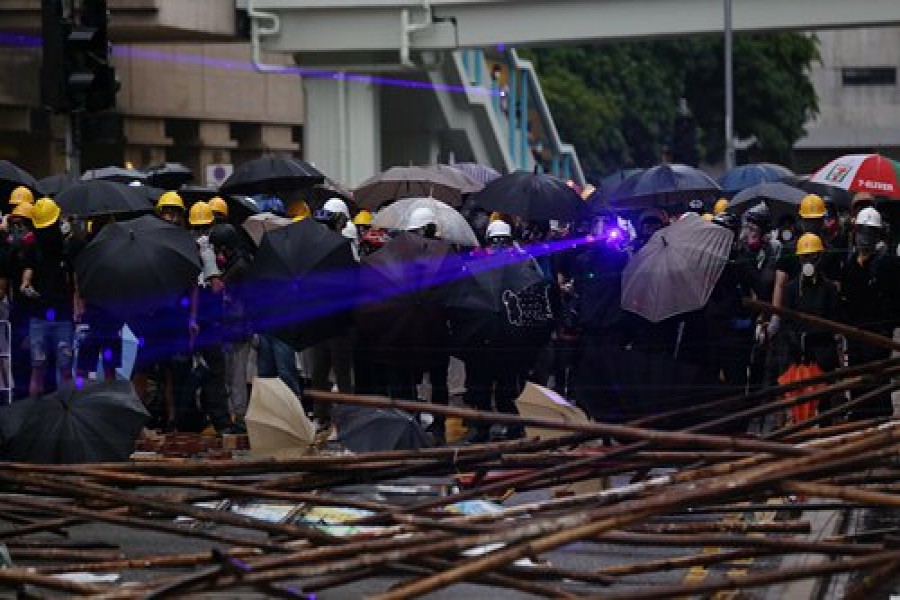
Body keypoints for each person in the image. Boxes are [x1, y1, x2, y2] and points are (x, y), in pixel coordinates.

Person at [839, 207, 900, 420]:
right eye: (862, 231)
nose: (865, 237)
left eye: (870, 232)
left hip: (878, 335)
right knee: (857, 378)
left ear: (877, 236)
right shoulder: (849, 265)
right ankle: (859, 417)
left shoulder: (888, 264)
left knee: (877, 379)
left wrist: (887, 327)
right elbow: (845, 298)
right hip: (855, 333)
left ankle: (880, 420)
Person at [183, 200, 232, 433]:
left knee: (192, 372)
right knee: (214, 372)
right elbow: (216, 287)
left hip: (192, 321)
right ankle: (219, 420)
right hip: (206, 321)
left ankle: (193, 420)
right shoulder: (206, 251)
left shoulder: (182, 248)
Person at [782, 233, 843, 415]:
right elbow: (787, 319)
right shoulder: (792, 289)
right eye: (804, 256)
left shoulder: (829, 288)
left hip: (823, 353)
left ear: (819, 258)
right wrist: (794, 341)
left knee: (824, 404)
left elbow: (833, 321)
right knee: (800, 404)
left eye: (813, 256)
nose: (808, 261)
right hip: (799, 356)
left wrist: (811, 336)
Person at [19, 198, 74, 398]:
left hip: (50, 317)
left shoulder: (63, 249)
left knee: (41, 370)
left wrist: (26, 285)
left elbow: (28, 274)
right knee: (59, 370)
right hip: (55, 317)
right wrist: (26, 284)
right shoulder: (42, 249)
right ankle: (62, 415)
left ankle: (41, 415)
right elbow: (28, 272)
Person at [309, 198, 355, 429]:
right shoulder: (342, 247)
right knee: (341, 373)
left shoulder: (315, 246)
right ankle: (344, 418)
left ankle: (321, 416)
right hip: (337, 321)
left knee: (321, 372)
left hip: (321, 320)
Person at [210, 224, 254, 427]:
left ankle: (240, 417)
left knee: (236, 378)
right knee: (229, 377)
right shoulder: (234, 263)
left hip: (239, 327)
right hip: (230, 326)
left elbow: (219, 288)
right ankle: (233, 415)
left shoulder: (240, 266)